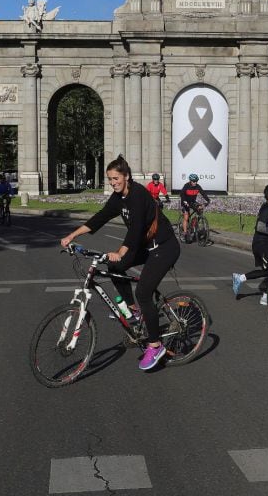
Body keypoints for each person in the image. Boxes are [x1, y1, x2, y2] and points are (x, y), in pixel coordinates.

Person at [60, 155, 179, 371]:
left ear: (126, 177)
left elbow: (136, 229)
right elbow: (100, 217)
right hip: (145, 247)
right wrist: (72, 236)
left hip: (164, 247)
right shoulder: (118, 198)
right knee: (114, 267)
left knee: (144, 292)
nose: (113, 182)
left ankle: (155, 345)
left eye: (116, 178)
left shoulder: (138, 195)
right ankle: (133, 310)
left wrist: (121, 250)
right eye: (110, 179)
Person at [232, 184, 268, 306]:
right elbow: (260, 227)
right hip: (261, 244)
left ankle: (240, 278)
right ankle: (265, 298)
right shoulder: (267, 208)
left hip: (263, 244)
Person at [179, 173, 210, 243]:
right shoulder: (186, 186)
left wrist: (208, 200)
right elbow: (182, 194)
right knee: (186, 217)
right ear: (190, 181)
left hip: (192, 202)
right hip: (185, 202)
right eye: (194, 181)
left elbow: (203, 193)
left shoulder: (197, 186)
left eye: (196, 181)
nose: (195, 183)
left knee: (200, 209)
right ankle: (184, 233)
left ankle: (194, 225)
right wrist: (184, 201)